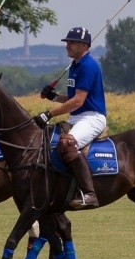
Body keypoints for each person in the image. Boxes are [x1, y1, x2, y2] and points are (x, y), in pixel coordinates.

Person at [33, 27, 105, 209]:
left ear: (83, 45)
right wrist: (54, 97)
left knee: (67, 143)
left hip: (92, 117)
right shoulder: (75, 66)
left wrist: (49, 113)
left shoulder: (88, 66)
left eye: (71, 42)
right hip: (77, 117)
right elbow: (72, 98)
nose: (67, 46)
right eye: (67, 42)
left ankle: (90, 194)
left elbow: (78, 102)